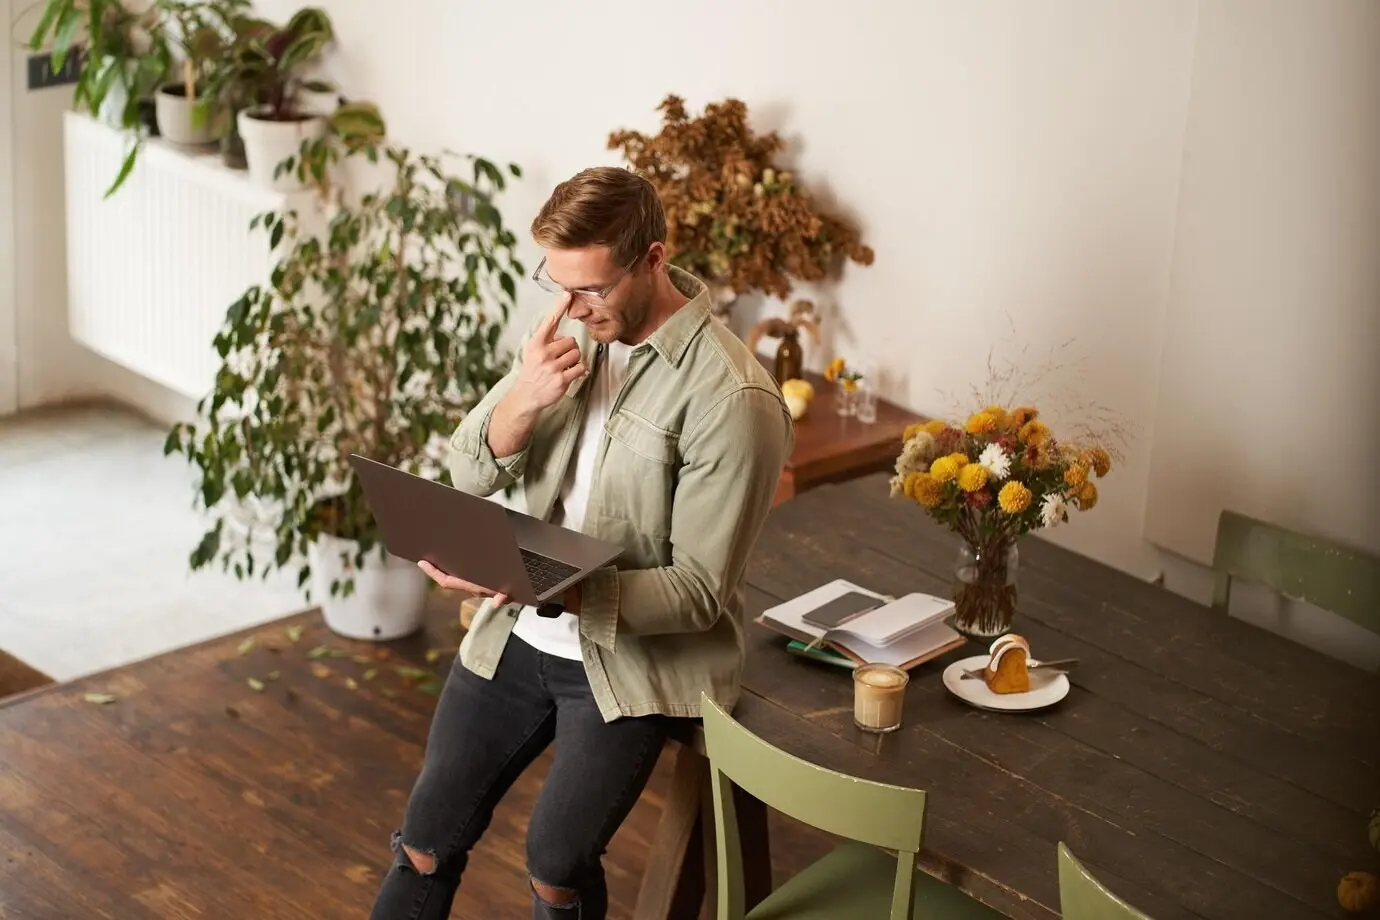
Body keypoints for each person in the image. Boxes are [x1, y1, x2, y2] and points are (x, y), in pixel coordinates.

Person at [368, 166, 794, 920]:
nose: (571, 306)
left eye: (591, 288)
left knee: (555, 865)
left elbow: (698, 592)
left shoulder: (733, 399)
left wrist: (540, 579)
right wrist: (524, 399)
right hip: (514, 633)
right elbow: (468, 471)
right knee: (426, 838)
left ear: (653, 259)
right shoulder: (566, 331)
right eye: (557, 285)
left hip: (626, 662)